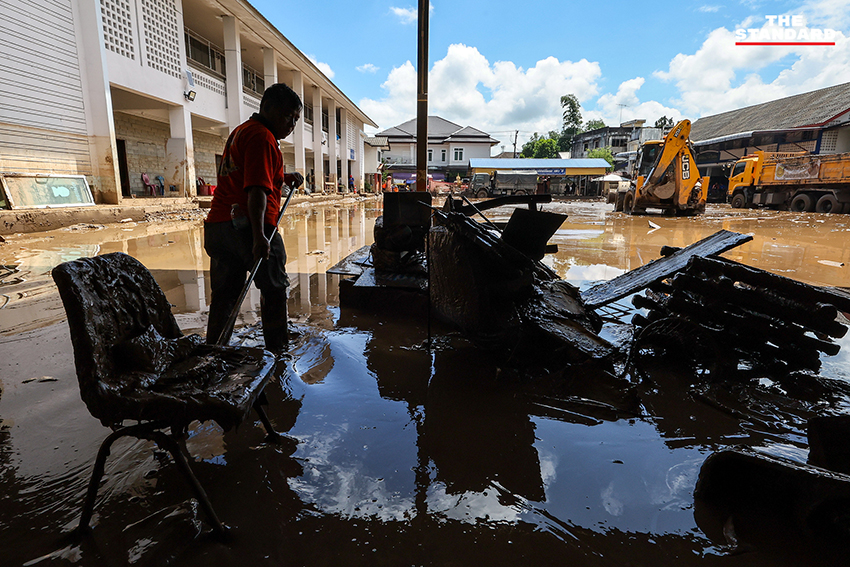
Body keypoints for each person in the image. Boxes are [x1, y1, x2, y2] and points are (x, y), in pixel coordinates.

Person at [203, 83, 303, 353]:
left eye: (295, 118)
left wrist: (284, 177)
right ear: (267, 108)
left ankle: (214, 351)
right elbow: (256, 190)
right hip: (248, 227)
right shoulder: (263, 137)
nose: (291, 123)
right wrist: (259, 237)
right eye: (286, 116)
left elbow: (253, 176)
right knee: (274, 288)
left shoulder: (242, 132)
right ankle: (278, 353)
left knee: (224, 296)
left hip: (219, 227)